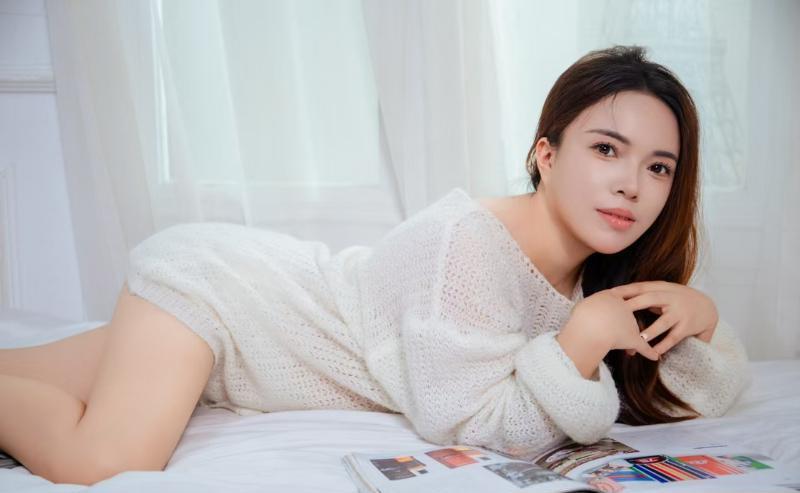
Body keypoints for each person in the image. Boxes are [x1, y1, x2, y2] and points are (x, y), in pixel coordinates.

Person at [0, 45, 751, 485]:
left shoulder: (602, 271)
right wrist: (581, 340)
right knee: (106, 462)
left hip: (251, 340)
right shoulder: (467, 245)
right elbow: (480, 427)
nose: (632, 184)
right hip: (230, 299)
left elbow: (689, 394)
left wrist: (705, 320)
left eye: (659, 166)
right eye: (607, 149)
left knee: (21, 373)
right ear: (545, 155)